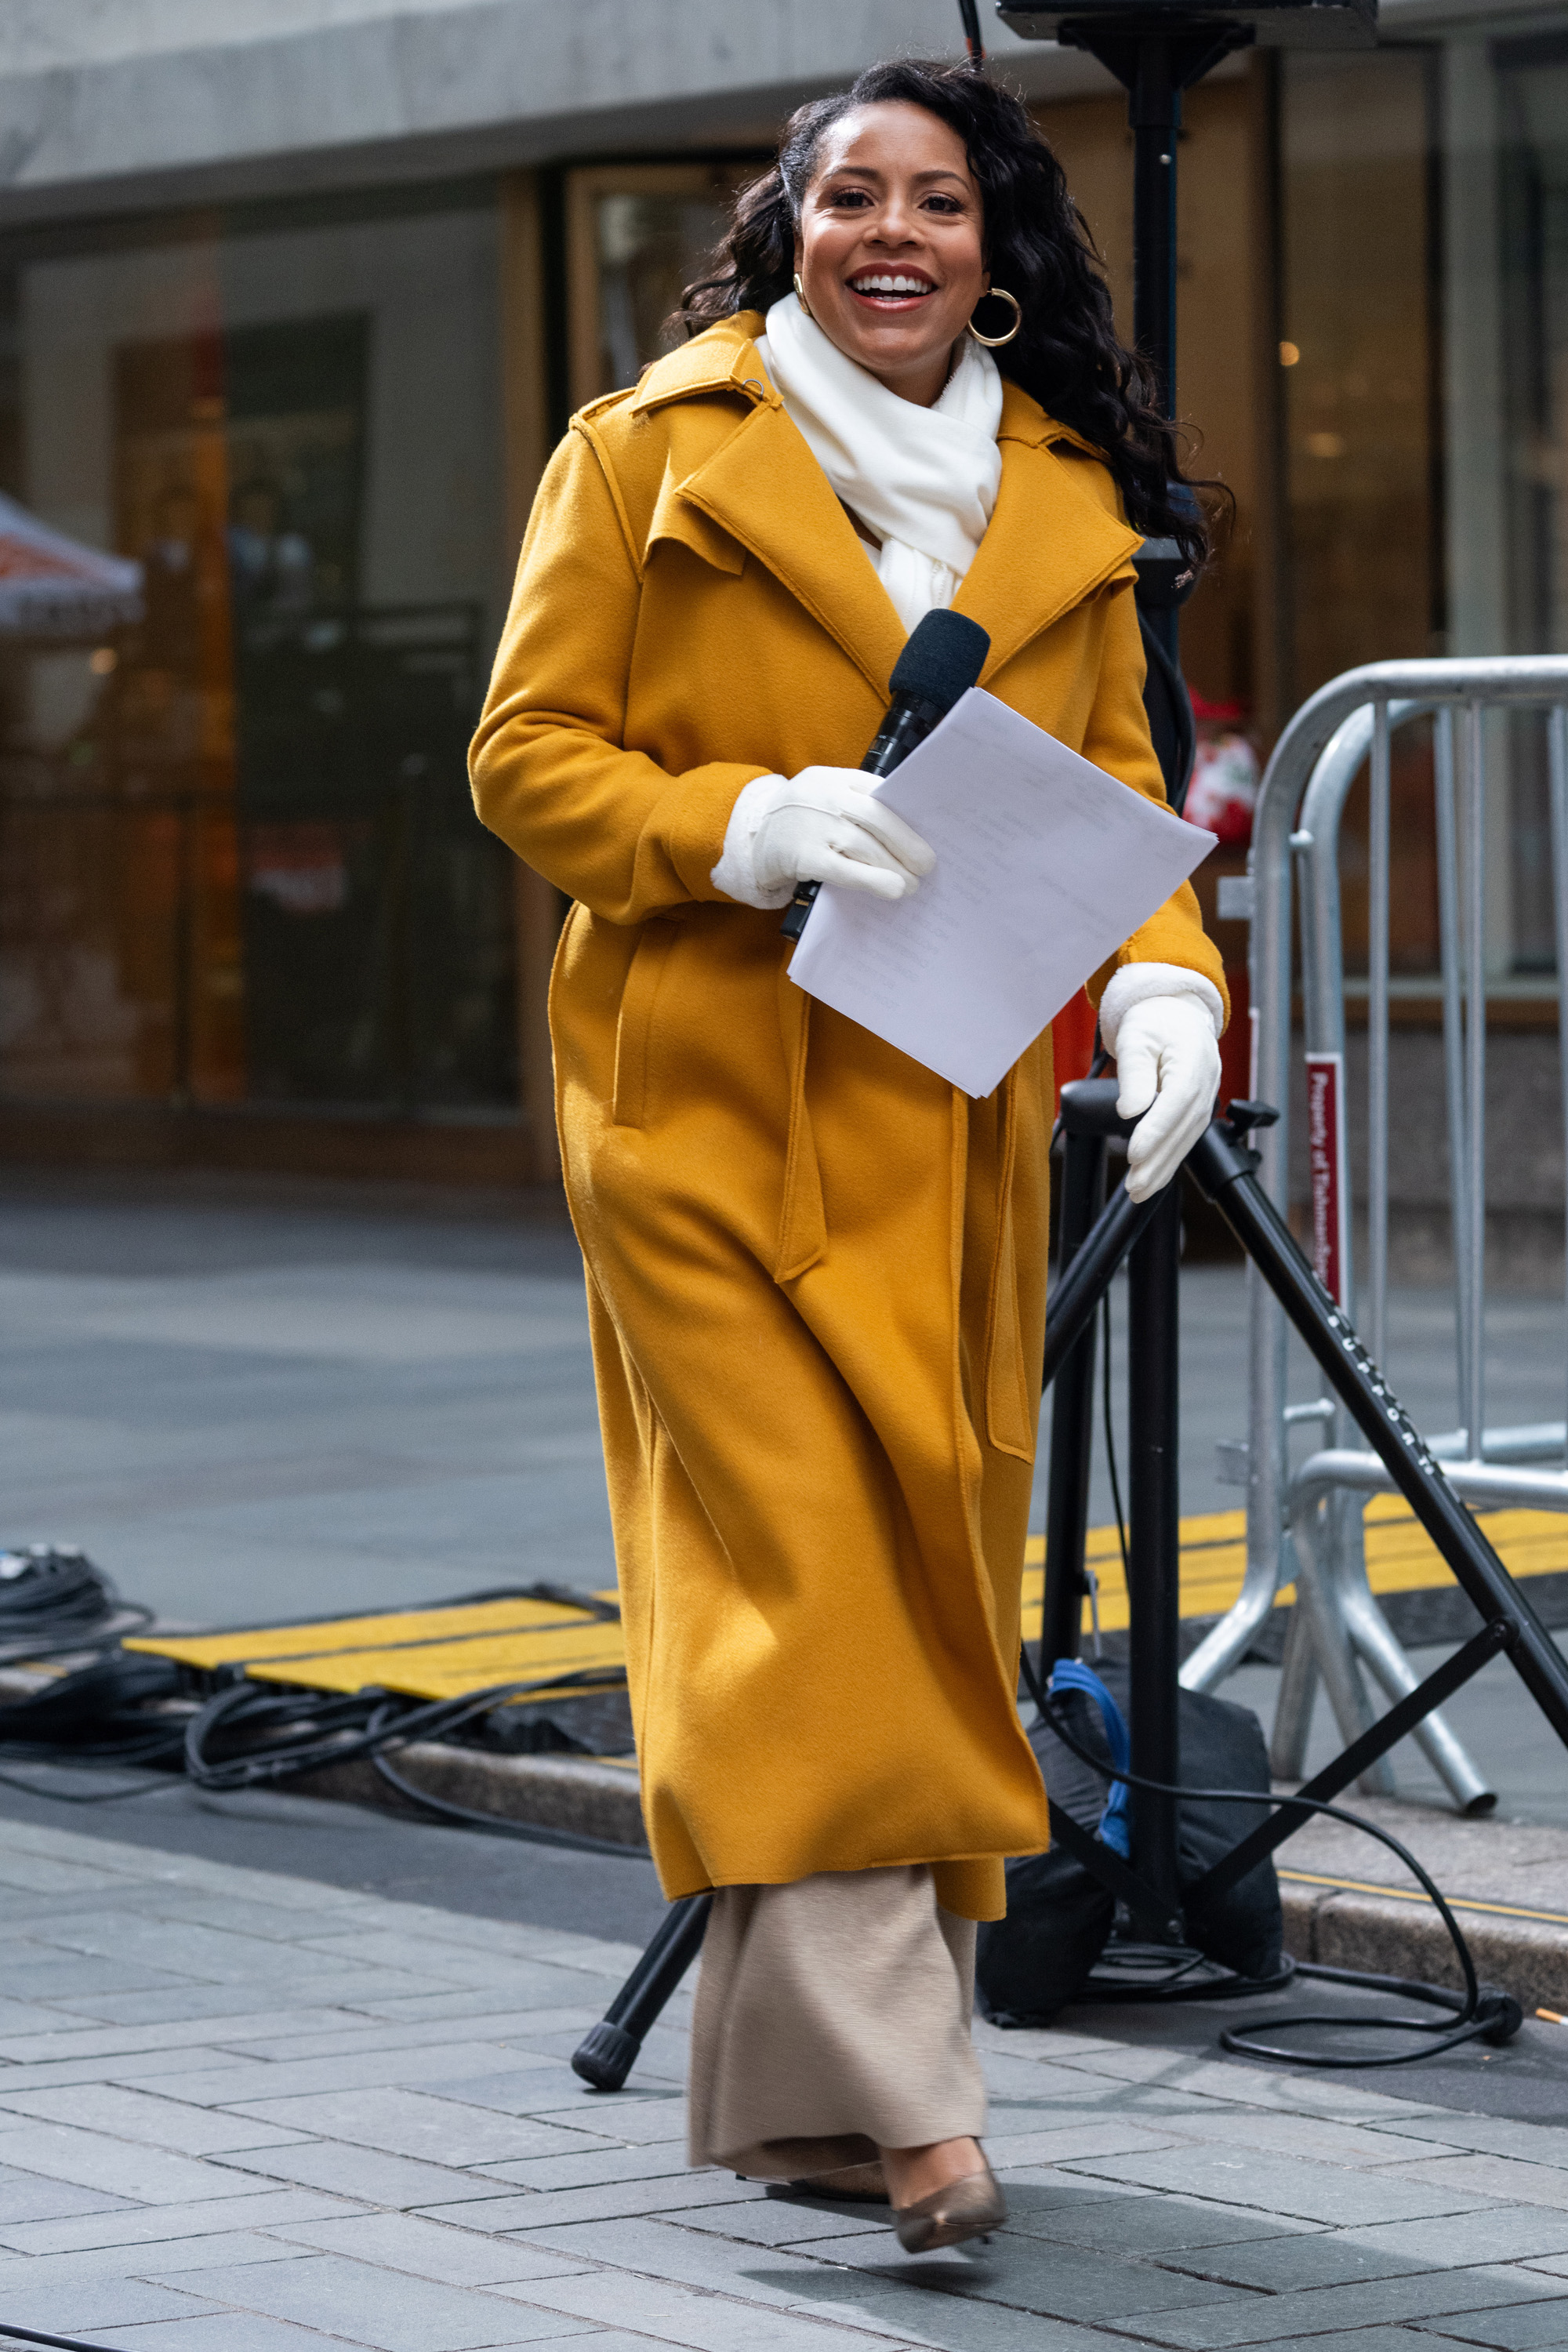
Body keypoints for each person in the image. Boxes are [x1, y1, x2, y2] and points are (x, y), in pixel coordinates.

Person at [470, 58, 1227, 2255]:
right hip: (695, 1099)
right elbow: (526, 758)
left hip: (945, 1102)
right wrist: (734, 825)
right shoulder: (643, 454)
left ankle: (794, 2105)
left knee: (898, 1582)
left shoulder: (1066, 495)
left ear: (995, 253)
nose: (894, 232)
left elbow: (1110, 798)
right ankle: (920, 2113)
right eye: (851, 198)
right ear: (787, 229)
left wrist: (1170, 984)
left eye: (941, 200)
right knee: (805, 1580)